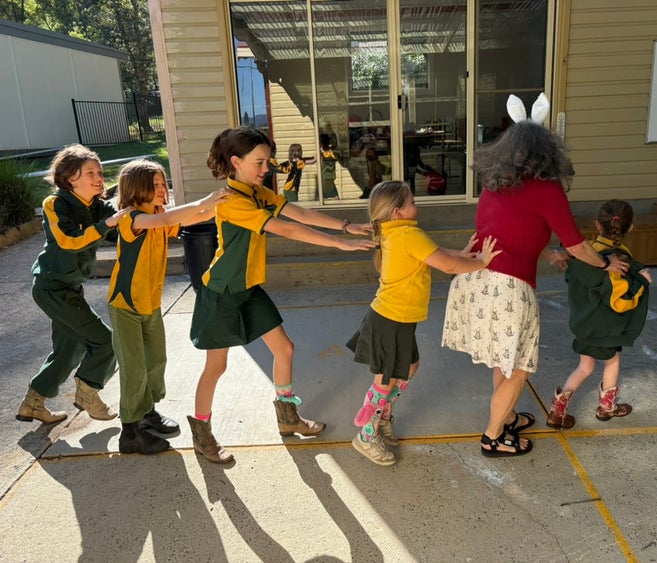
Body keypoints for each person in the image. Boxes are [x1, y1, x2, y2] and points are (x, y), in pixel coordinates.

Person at [441, 93, 630, 458]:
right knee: (519, 369)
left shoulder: (495, 182)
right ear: (549, 151)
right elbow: (577, 245)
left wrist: (546, 251)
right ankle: (493, 436)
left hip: (478, 280)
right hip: (508, 288)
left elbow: (510, 231)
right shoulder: (546, 188)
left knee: (505, 361)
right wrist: (606, 264)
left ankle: (507, 416)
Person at [188, 126, 376, 464]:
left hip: (248, 289)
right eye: (259, 162)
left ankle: (287, 418)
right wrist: (339, 243)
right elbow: (284, 228)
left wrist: (345, 226)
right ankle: (202, 434)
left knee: (285, 349)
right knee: (216, 367)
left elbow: (295, 213)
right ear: (236, 161)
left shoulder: (258, 192)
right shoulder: (232, 200)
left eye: (267, 162)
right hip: (222, 293)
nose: (265, 169)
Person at [347, 181, 501, 466]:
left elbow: (436, 253)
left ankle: (382, 416)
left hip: (396, 319)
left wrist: (463, 252)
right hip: (390, 320)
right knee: (384, 381)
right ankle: (367, 435)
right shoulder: (406, 234)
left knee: (409, 368)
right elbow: (447, 266)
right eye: (412, 202)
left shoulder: (398, 232)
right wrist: (481, 262)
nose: (416, 206)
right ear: (397, 212)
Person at [108, 159, 230, 455]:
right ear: (137, 189)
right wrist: (207, 199)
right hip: (126, 305)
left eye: (165, 184)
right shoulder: (132, 218)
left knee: (155, 361)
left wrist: (227, 202)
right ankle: (131, 431)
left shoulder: (159, 213)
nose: (164, 190)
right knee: (134, 367)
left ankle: (146, 411)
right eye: (157, 185)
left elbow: (193, 217)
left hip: (149, 303)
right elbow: (167, 220)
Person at [16, 144, 131, 425]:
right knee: (105, 342)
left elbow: (119, 228)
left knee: (70, 349)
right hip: (51, 287)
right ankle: (88, 392)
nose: (99, 178)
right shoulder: (55, 204)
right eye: (90, 172)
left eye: (100, 172)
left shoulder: (97, 206)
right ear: (70, 178)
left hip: (70, 287)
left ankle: (33, 403)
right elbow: (68, 242)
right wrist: (107, 226)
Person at [546, 199, 652, 429]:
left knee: (585, 367)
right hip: (605, 329)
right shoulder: (618, 260)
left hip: (583, 323)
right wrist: (642, 281)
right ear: (630, 227)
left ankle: (557, 410)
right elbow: (621, 301)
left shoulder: (585, 254)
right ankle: (607, 408)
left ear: (597, 224)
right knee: (611, 362)